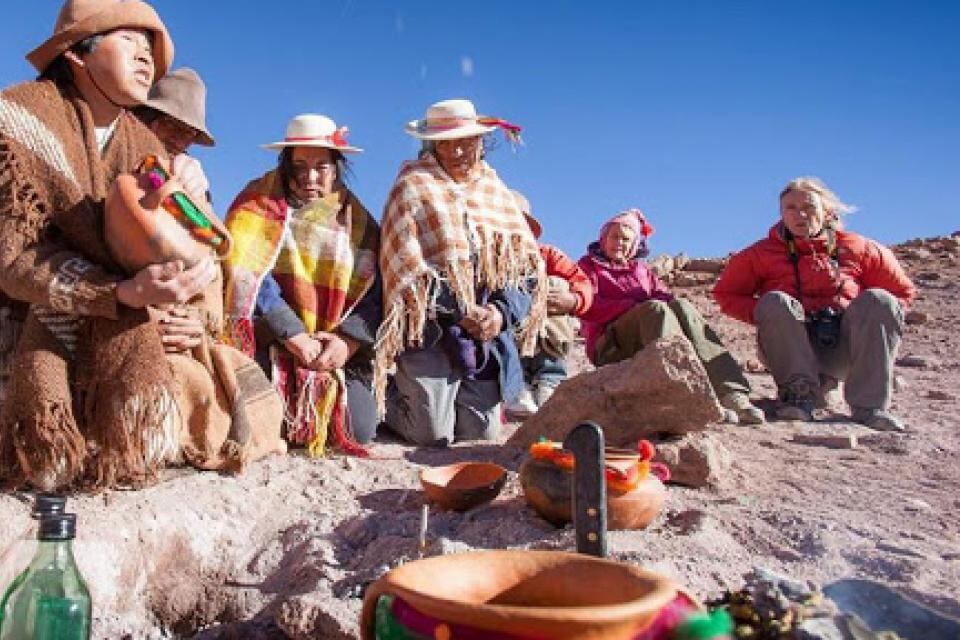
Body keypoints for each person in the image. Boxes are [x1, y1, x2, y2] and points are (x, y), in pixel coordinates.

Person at [0, 0, 284, 491]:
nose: (145, 56)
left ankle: (119, 428)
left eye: (150, 46)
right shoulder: (19, 121)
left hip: (133, 318)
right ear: (77, 54)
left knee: (200, 388)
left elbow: (197, 243)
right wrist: (119, 294)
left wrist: (192, 292)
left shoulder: (147, 154)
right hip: (28, 313)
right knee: (44, 436)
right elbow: (12, 260)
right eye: (128, 39)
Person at [376, 98, 546, 446]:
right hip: (432, 327)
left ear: (481, 142)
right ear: (431, 144)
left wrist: (499, 312)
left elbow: (525, 270)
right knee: (431, 434)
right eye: (446, 143)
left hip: (486, 331)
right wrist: (460, 308)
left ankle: (448, 394)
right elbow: (408, 271)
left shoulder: (498, 194)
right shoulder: (411, 186)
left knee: (480, 433)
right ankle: (386, 395)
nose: (456, 151)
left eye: (465, 141)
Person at [222, 114, 381, 454]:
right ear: (286, 166)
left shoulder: (361, 223)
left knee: (359, 429)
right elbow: (245, 272)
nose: (310, 177)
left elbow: (374, 289)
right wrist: (292, 334)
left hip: (331, 344)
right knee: (256, 418)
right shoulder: (256, 204)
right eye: (300, 166)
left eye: (321, 166)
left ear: (336, 168)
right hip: (272, 338)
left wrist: (346, 341)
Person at [713, 177, 916, 430]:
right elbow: (726, 294)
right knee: (775, 301)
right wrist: (771, 317)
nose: (800, 215)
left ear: (826, 211)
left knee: (881, 300)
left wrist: (862, 322)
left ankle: (870, 407)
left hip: (846, 348)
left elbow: (901, 292)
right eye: (791, 208)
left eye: (809, 207)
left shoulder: (860, 247)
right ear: (781, 214)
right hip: (789, 349)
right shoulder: (760, 254)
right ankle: (798, 398)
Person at [578, 209, 765, 425]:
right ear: (603, 239)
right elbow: (587, 305)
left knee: (682, 306)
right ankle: (684, 392)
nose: (619, 243)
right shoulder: (588, 266)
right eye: (614, 237)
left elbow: (664, 296)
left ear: (635, 244)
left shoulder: (642, 270)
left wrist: (653, 305)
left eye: (626, 239)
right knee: (655, 309)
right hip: (610, 346)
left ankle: (731, 392)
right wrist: (632, 306)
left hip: (649, 336)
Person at [505, 191, 593, 417]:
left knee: (555, 284)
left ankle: (549, 379)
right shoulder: (489, 259)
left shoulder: (548, 255)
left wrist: (573, 301)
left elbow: (581, 282)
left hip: (547, 329)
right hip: (511, 332)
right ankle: (518, 383)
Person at [133, 66, 215, 206]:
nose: (179, 140)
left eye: (189, 133)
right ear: (145, 118)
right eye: (171, 124)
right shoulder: (115, 140)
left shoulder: (185, 170)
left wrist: (200, 194)